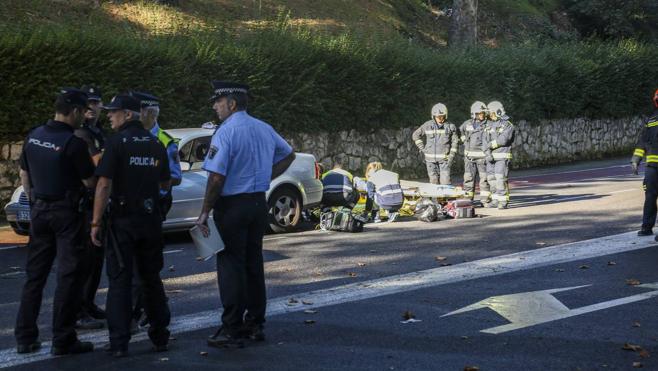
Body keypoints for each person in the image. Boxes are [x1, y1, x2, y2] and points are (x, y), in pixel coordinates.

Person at [195, 80, 295, 348]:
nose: (215, 107)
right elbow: (288, 154)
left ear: (232, 103)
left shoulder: (226, 132)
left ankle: (232, 327)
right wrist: (267, 176)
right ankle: (255, 323)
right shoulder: (263, 128)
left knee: (230, 265)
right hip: (257, 203)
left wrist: (204, 211)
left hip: (232, 205)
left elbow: (216, 177)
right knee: (253, 264)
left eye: (218, 101)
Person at [15, 88, 96, 356]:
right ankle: (63, 339)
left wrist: (34, 199)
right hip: (66, 213)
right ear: (73, 111)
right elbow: (90, 182)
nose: (85, 116)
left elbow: (24, 172)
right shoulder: (73, 144)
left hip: (39, 210)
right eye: (83, 111)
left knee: (34, 277)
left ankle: (25, 337)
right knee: (68, 276)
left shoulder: (34, 136)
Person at [90, 94, 172, 358]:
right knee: (150, 278)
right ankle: (160, 336)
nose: (109, 116)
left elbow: (103, 184)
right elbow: (165, 183)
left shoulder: (116, 144)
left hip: (122, 222)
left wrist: (95, 222)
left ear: (127, 115)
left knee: (120, 281)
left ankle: (119, 343)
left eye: (113, 112)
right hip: (149, 220)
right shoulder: (155, 143)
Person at [128, 91, 181, 329]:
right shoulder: (128, 137)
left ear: (149, 113)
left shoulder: (165, 140)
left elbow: (175, 177)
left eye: (138, 112)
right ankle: (142, 308)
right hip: (131, 207)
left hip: (154, 207)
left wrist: (147, 181)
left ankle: (149, 310)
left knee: (146, 265)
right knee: (132, 266)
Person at [74, 85, 107, 330]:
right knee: (85, 259)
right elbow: (99, 163)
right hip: (86, 199)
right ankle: (79, 309)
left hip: (97, 198)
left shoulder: (98, 131)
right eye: (89, 104)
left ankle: (88, 303)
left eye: (96, 104)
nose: (93, 108)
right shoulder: (82, 134)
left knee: (96, 259)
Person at [631, 89, 658, 237]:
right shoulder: (651, 120)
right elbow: (643, 141)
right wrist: (636, 159)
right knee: (650, 197)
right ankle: (647, 227)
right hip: (652, 166)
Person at [412, 103, 459, 185]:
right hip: (430, 160)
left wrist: (451, 155)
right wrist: (423, 148)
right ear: (433, 116)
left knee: (445, 182)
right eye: (438, 117)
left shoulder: (451, 127)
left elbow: (455, 142)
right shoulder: (427, 125)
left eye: (442, 116)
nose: (440, 118)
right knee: (433, 182)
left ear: (445, 115)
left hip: (444, 160)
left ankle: (445, 198)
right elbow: (415, 135)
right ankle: (435, 198)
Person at [483, 101, 515, 209]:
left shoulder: (507, 125)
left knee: (500, 178)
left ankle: (503, 201)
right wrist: (487, 153)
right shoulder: (488, 125)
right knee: (491, 179)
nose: (489, 115)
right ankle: (495, 199)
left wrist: (490, 145)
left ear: (498, 112)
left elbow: (503, 139)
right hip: (490, 158)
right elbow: (484, 140)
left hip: (502, 156)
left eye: (491, 113)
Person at [459, 101, 491, 206]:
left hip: (482, 157)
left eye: (483, 113)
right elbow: (461, 131)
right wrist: (464, 140)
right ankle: (468, 200)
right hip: (469, 158)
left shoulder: (488, 124)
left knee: (484, 179)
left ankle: (485, 200)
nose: (482, 115)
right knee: (468, 179)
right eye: (480, 113)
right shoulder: (467, 124)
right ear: (474, 114)